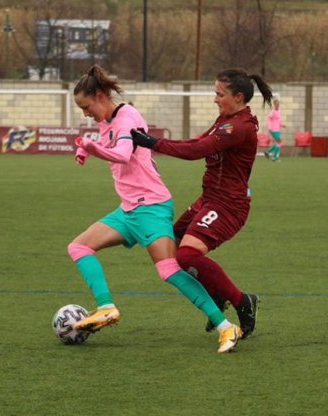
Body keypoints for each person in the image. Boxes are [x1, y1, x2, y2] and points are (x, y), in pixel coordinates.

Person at [67, 65, 242, 354]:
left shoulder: (127, 118)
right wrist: (86, 148)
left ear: (99, 96)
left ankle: (225, 326)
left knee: (169, 270)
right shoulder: (108, 121)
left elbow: (123, 154)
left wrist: (92, 148)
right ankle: (107, 308)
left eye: (86, 107)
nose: (86, 113)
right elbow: (107, 141)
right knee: (79, 247)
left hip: (151, 207)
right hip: (128, 211)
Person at [131, 68, 273, 339]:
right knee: (169, 244)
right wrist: (152, 141)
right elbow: (197, 141)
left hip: (228, 206)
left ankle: (243, 302)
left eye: (220, 94)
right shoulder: (225, 119)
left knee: (186, 256)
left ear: (239, 96)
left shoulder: (238, 127)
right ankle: (218, 295)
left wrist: (154, 143)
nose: (215, 99)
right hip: (209, 200)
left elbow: (197, 151)